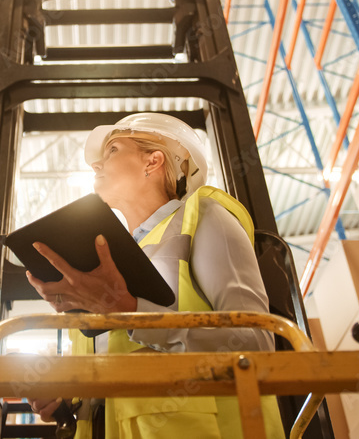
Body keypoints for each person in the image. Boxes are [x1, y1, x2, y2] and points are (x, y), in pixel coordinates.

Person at [25, 113, 285, 438]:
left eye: (113, 150)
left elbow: (255, 342)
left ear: (153, 160)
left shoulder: (202, 216)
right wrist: (66, 397)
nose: (96, 165)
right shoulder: (111, 264)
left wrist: (130, 313)